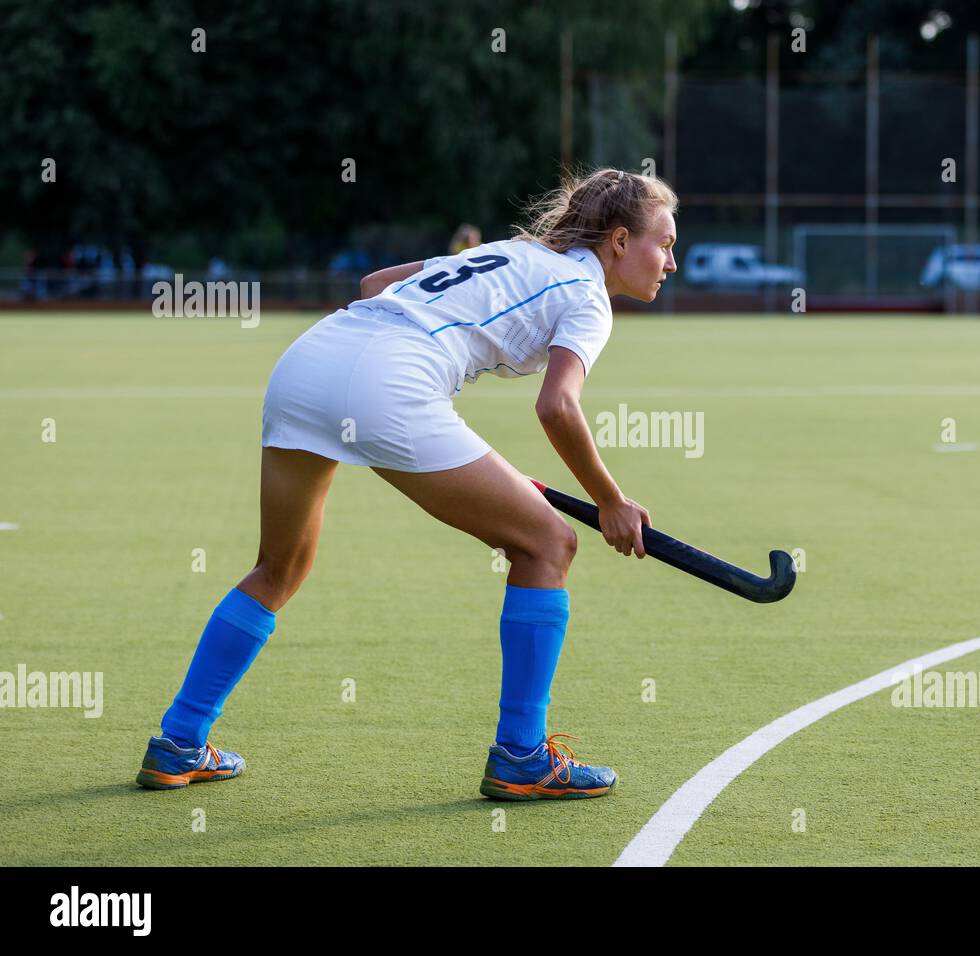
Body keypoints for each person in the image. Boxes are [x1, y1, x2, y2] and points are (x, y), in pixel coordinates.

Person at [136, 168, 679, 800]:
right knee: (549, 544)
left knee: (278, 568)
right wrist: (610, 502)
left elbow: (373, 285)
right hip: (388, 386)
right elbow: (557, 407)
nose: (671, 261)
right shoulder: (588, 296)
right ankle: (521, 755)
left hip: (309, 363)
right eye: (663, 243)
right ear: (617, 241)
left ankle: (178, 741)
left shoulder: (512, 252)